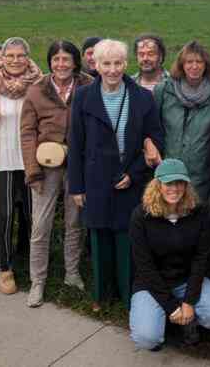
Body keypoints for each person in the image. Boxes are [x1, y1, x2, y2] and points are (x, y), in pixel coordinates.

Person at [68, 39, 163, 311]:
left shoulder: (143, 98)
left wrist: (134, 174)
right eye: (106, 64)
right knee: (99, 237)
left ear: (125, 64)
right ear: (95, 65)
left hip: (130, 179)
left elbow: (155, 138)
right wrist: (77, 187)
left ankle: (127, 292)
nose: (112, 70)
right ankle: (101, 293)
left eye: (117, 63)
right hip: (96, 179)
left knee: (126, 237)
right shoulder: (84, 97)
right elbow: (76, 143)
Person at [129, 158, 210, 350]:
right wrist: (172, 306)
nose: (174, 188)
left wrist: (189, 301)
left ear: (186, 185)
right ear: (157, 185)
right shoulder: (141, 216)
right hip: (150, 284)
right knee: (146, 339)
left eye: (179, 183)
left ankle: (185, 319)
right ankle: (168, 319)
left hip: (186, 281)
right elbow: (144, 266)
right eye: (168, 183)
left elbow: (201, 258)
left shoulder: (199, 213)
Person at [20, 40, 92, 307]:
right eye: (56, 59)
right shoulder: (37, 91)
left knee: (75, 221)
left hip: (78, 165)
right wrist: (32, 171)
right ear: (50, 62)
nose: (61, 64)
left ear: (75, 62)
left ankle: (71, 273)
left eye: (66, 59)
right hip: (46, 165)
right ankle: (37, 281)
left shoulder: (88, 85)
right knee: (41, 224)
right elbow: (27, 133)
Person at [0, 36, 42, 294]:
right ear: (2, 58)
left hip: (32, 163)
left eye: (20, 55)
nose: (15, 60)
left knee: (35, 218)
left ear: (28, 57)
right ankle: (4, 268)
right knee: (3, 218)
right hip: (1, 162)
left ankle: (38, 269)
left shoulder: (39, 84)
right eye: (9, 56)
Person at [145, 41, 210, 219]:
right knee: (168, 219)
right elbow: (152, 128)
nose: (194, 66)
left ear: (207, 65)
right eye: (189, 62)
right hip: (168, 171)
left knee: (197, 221)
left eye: (199, 62)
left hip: (202, 173)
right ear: (181, 64)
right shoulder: (164, 90)